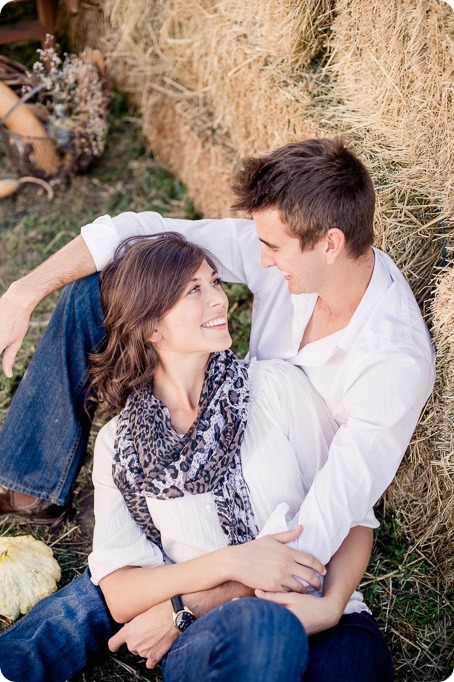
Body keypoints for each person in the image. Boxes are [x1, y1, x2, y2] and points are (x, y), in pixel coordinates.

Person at [0, 138, 433, 666]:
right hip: (218, 425)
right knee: (99, 285)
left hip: (299, 494)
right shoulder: (286, 254)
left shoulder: (391, 363)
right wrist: (24, 291)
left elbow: (331, 515)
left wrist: (182, 606)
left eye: (272, 246)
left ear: (330, 243)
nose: (257, 260)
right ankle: (29, 484)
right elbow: (140, 236)